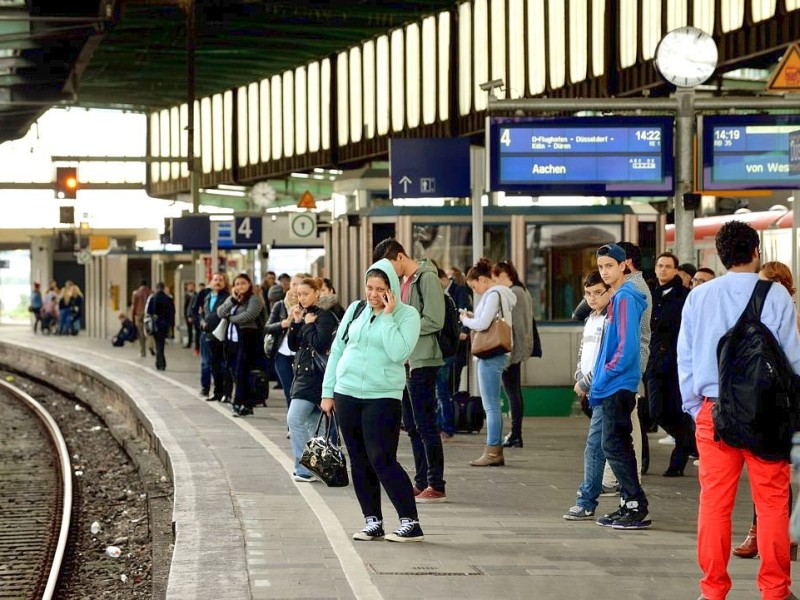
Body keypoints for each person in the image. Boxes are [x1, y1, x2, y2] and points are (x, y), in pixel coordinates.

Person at [677, 222, 800, 600]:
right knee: (773, 503)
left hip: (715, 414)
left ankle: (713, 590)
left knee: (715, 504)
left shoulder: (699, 296)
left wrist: (698, 405)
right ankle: (775, 590)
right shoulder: (776, 295)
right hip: (767, 414)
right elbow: (793, 361)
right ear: (756, 252)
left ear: (720, 254)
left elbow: (686, 358)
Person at [320, 259, 423, 542]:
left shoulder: (408, 315)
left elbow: (398, 353)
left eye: (380, 289)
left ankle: (410, 522)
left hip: (383, 397)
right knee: (359, 460)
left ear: (391, 288)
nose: (373, 294)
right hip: (347, 393)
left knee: (382, 459)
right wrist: (328, 392)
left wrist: (388, 316)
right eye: (369, 287)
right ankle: (372, 521)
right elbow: (338, 350)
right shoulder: (355, 309)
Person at [732, 260, 800, 561]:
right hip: (764, 402)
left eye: (775, 282)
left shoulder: (791, 317)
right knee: (772, 476)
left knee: (775, 476)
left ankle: (778, 534)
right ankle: (774, 533)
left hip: (785, 402)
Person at [373, 238, 447, 503]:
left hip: (424, 359)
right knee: (413, 425)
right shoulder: (404, 283)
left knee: (426, 424)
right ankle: (421, 481)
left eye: (391, 266)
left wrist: (407, 329)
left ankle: (436, 484)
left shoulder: (426, 278)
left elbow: (435, 319)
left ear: (401, 257)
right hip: (406, 360)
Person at [591, 243, 651, 530]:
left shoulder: (626, 297)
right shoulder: (619, 296)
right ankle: (629, 502)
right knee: (618, 444)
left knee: (613, 445)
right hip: (616, 382)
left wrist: (606, 373)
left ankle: (635, 503)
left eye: (609, 266)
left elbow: (626, 347)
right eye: (601, 266)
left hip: (618, 383)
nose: (604, 271)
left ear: (623, 265)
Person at [459, 257, 517, 467]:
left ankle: (492, 451)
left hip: (490, 354)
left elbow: (483, 324)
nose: (476, 291)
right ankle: (495, 451)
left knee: (491, 406)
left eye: (475, 286)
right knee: (492, 404)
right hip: (498, 352)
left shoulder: (493, 293)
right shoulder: (502, 293)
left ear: (483, 279)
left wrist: (466, 320)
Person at [563, 271, 611, 520]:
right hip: (593, 390)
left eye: (597, 293)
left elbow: (606, 356)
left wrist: (586, 381)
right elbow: (585, 350)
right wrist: (579, 374)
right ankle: (632, 497)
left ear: (609, 291)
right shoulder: (591, 318)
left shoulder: (611, 319)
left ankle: (586, 500)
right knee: (616, 448)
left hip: (605, 389)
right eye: (588, 293)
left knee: (595, 447)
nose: (592, 298)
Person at [646, 252, 695, 477]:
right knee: (657, 411)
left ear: (676, 270)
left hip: (676, 361)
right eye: (660, 265)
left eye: (668, 266)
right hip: (652, 360)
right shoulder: (649, 294)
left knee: (676, 408)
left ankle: (679, 458)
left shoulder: (685, 296)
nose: (663, 270)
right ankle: (690, 442)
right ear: (655, 268)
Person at [286, 277, 339, 482]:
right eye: (299, 294)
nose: (302, 298)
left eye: (306, 293)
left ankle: (304, 469)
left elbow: (320, 344)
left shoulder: (325, 317)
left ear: (317, 293)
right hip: (303, 376)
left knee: (295, 419)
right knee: (313, 425)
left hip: (315, 378)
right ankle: (323, 467)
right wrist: (297, 322)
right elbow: (293, 345)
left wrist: (308, 325)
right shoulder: (305, 315)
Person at [493, 260, 534, 448]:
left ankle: (516, 434)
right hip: (519, 348)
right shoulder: (522, 290)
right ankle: (516, 433)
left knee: (512, 393)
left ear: (503, 275)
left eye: (496, 278)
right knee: (514, 392)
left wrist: (508, 354)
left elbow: (515, 325)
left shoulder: (514, 292)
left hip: (513, 350)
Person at [216, 273, 268, 417]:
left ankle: (240, 402)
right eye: (237, 284)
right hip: (231, 340)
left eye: (243, 283)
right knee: (234, 371)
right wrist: (232, 299)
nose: (240, 286)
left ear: (249, 284)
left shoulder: (254, 299)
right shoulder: (232, 299)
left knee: (242, 372)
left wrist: (230, 318)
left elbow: (248, 316)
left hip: (248, 339)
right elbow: (220, 312)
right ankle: (245, 402)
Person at [265, 274, 305, 410]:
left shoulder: (308, 307)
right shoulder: (280, 305)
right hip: (282, 353)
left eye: (299, 284)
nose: (295, 288)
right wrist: (283, 324)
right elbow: (267, 327)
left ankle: (299, 425)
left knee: (300, 392)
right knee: (289, 390)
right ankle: (292, 428)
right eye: (293, 284)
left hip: (300, 354)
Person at [200, 272, 231, 402]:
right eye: (215, 279)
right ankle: (217, 392)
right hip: (208, 335)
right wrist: (201, 322)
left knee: (224, 365)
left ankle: (226, 392)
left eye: (220, 280)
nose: (217, 282)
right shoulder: (207, 296)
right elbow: (202, 312)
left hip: (221, 334)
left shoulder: (227, 297)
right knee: (213, 365)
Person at [147, 282, 175, 371]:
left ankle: (160, 363)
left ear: (156, 288)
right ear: (163, 288)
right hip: (165, 324)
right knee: (161, 344)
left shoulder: (153, 298)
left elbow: (149, 311)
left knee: (158, 344)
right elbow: (172, 312)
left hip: (156, 324)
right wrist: (171, 325)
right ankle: (160, 362)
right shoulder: (168, 299)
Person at [131, 279, 153, 357]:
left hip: (139, 314)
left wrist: (132, 316)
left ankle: (142, 351)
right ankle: (151, 346)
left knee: (141, 333)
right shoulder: (151, 293)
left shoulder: (136, 293)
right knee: (150, 331)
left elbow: (133, 305)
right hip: (148, 314)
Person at [190, 282, 208, 359]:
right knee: (198, 334)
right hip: (198, 319)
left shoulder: (207, 295)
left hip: (204, 320)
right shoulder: (196, 295)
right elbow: (192, 307)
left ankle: (200, 349)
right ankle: (197, 348)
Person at [182, 281, 196, 349]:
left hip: (195, 315)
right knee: (189, 330)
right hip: (188, 315)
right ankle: (189, 343)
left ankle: (197, 344)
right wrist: (186, 316)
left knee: (197, 330)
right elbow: (185, 306)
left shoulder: (196, 295)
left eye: (191, 286)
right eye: (188, 286)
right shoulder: (186, 295)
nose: (189, 287)